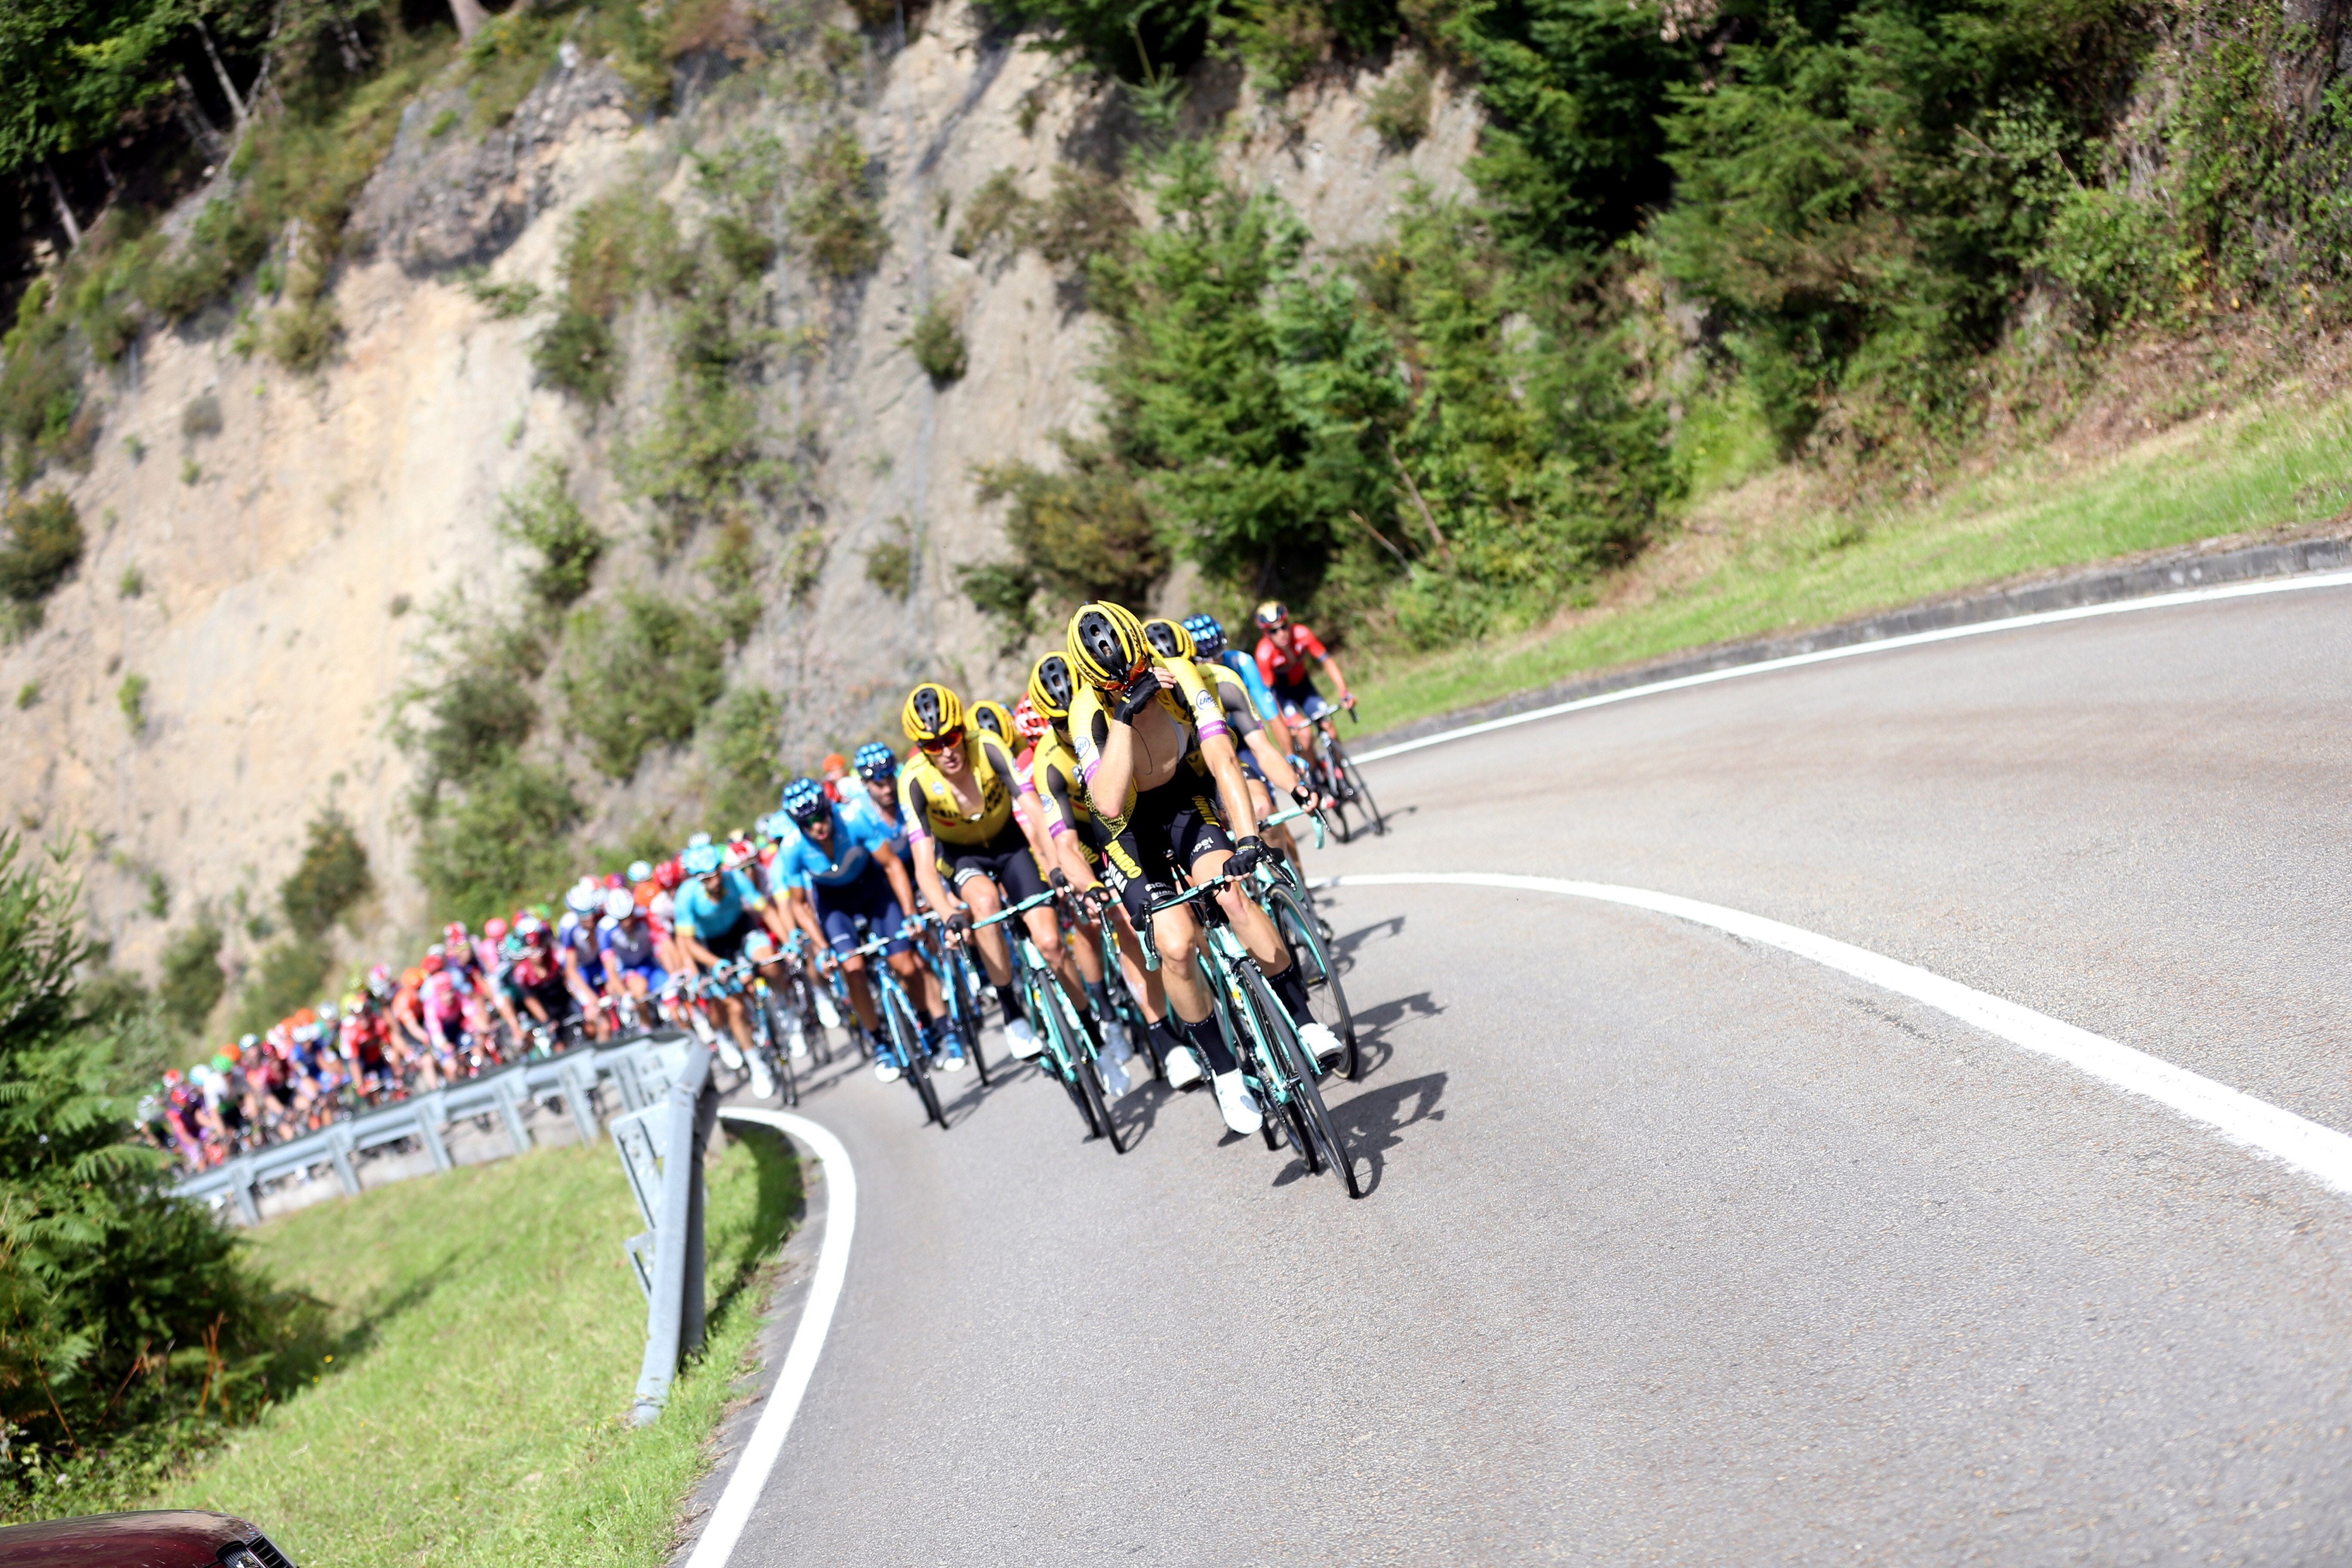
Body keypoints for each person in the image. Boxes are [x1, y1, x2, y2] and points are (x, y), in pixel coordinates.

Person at [1065, 601, 1345, 1135]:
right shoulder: (1088, 711)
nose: (1131, 685)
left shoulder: (1181, 675)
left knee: (1233, 893)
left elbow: (1221, 759)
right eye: (1115, 683)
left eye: (1138, 672)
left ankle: (1304, 1021)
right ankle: (1225, 1072)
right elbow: (1104, 802)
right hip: (1126, 831)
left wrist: (1244, 837)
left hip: (1180, 804)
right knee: (1174, 944)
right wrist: (1123, 716)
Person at [894, 681, 1084, 1060]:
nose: (947, 751)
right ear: (921, 749)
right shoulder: (914, 780)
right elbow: (924, 866)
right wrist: (948, 915)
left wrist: (1056, 865)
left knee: (1049, 942)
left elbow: (1034, 810)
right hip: (963, 856)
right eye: (933, 745)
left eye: (951, 737)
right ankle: (1012, 1012)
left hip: (1008, 843)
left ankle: (1092, 1023)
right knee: (984, 902)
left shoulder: (988, 746)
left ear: (963, 730)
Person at [773, 776, 955, 1080]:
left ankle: (927, 1022)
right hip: (836, 906)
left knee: (906, 965)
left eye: (821, 816)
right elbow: (800, 906)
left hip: (874, 893)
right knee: (853, 970)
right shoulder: (792, 849)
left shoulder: (852, 819)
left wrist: (909, 912)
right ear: (798, 825)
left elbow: (892, 866)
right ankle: (880, 1044)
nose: (819, 826)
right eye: (808, 823)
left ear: (829, 809)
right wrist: (823, 947)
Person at [1146, 617, 1318, 872]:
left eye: (1189, 666)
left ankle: (1292, 894)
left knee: (1262, 810)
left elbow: (1262, 747)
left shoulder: (1222, 680)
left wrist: (1296, 787)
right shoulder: (1147, 707)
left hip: (1230, 756)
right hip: (1182, 782)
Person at [671, 840, 790, 1075]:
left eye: (716, 875)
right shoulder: (686, 897)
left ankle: (784, 1007)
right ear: (696, 879)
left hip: (740, 930)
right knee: (733, 1007)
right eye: (707, 880)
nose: (715, 883)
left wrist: (788, 943)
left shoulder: (736, 878)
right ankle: (755, 1064)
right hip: (711, 947)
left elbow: (765, 910)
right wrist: (714, 965)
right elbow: (687, 943)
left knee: (770, 961)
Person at [1251, 600, 1356, 775]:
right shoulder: (1264, 654)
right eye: (1274, 631)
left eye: (1284, 627)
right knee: (1305, 734)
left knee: (1328, 724)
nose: (1282, 634)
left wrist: (1345, 692)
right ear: (1266, 633)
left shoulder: (1302, 634)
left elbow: (1327, 662)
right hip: (1282, 695)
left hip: (1304, 687)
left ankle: (1339, 771)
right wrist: (1284, 722)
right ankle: (1314, 775)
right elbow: (1269, 695)